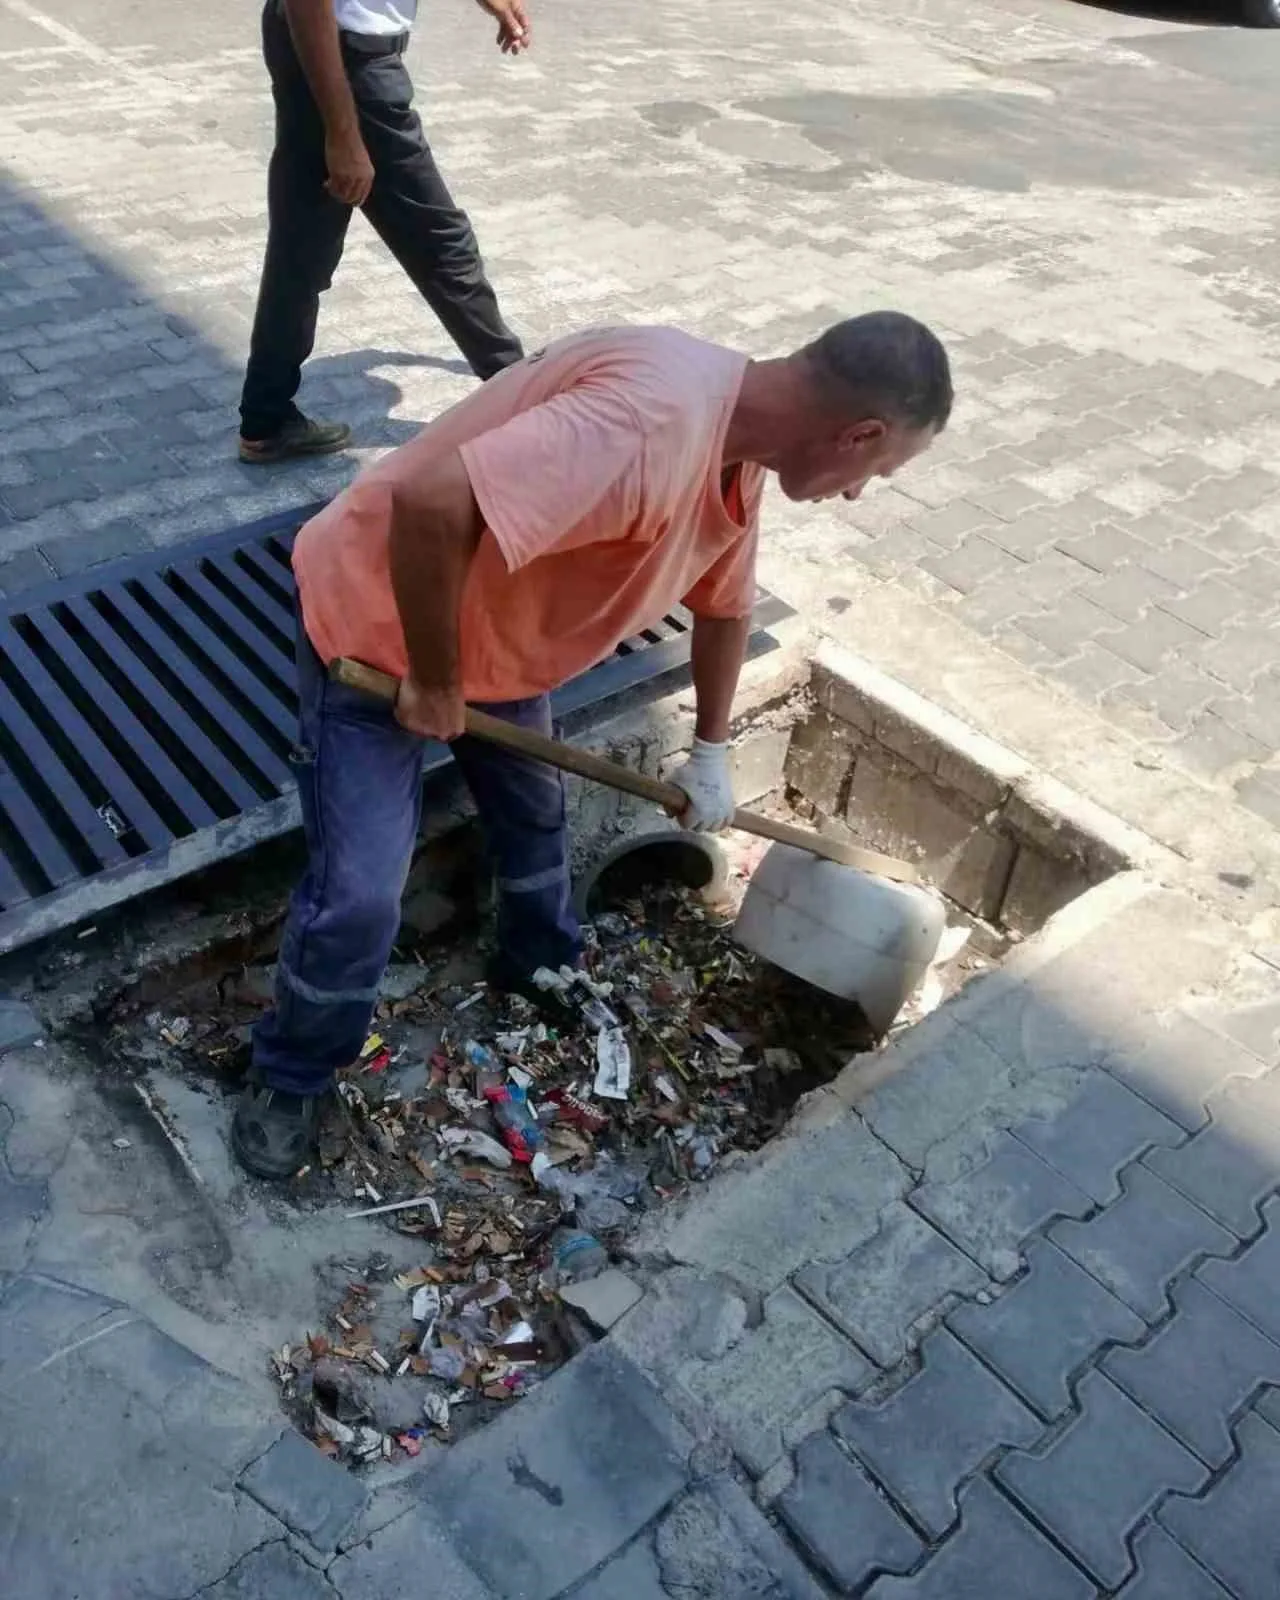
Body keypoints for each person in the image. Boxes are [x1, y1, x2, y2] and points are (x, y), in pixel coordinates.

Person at [231, 311, 953, 1179]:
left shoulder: (738, 439)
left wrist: (713, 750)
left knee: (537, 816)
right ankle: (292, 1072)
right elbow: (426, 504)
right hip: (378, 633)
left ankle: (540, 960)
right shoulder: (647, 426)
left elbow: (725, 604)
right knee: (359, 896)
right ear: (859, 432)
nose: (857, 493)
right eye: (878, 468)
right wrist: (430, 678)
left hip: (497, 644)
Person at [238, 0, 529, 465]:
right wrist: (343, 134)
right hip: (342, 61)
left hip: (324, 50)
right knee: (439, 240)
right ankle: (526, 392)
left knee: (302, 245)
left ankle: (266, 417)